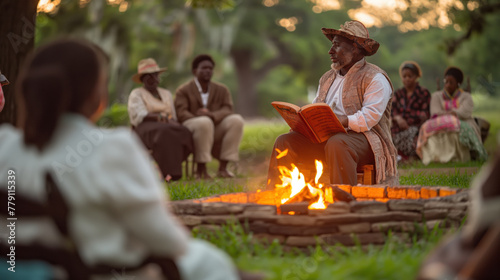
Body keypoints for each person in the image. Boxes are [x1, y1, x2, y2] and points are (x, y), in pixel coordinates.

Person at [0, 39, 239, 280]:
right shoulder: (110, 148)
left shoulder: (5, 146)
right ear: (95, 94)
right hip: (102, 272)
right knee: (210, 261)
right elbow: (167, 241)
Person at [267, 20, 398, 187]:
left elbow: (369, 118)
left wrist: (339, 121)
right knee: (284, 141)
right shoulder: (327, 77)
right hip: (327, 140)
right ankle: (274, 194)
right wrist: (302, 121)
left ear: (355, 48)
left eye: (337, 45)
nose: (330, 51)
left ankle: (343, 199)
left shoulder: (375, 78)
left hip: (365, 143)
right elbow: (315, 107)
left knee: (338, 142)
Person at [175, 54, 244, 179]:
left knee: (237, 120)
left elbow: (228, 108)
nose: (208, 71)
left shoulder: (222, 90)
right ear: (195, 71)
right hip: (191, 128)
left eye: (210, 68)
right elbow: (181, 112)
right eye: (204, 68)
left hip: (213, 126)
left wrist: (211, 115)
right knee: (203, 122)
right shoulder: (183, 90)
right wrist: (197, 116)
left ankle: (223, 168)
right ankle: (201, 170)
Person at [128, 58, 193, 181]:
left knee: (184, 132)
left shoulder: (166, 93)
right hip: (145, 127)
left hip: (167, 124)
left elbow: (172, 115)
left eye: (155, 75)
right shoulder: (137, 93)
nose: (153, 79)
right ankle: (168, 174)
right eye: (148, 77)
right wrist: (160, 117)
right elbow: (139, 115)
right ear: (142, 79)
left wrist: (170, 120)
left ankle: (172, 169)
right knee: (164, 133)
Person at [416, 66, 487, 164]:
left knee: (460, 128)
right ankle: (433, 158)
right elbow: (435, 113)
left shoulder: (466, 97)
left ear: (458, 83)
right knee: (426, 127)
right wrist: (451, 114)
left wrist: (447, 114)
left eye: (451, 82)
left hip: (463, 120)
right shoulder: (436, 96)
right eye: (446, 82)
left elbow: (464, 113)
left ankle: (462, 156)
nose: (448, 85)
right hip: (439, 122)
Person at [391, 61, 431, 161]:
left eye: (410, 76)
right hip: (399, 127)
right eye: (405, 76)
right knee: (388, 135)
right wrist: (399, 118)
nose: (407, 79)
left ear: (416, 76)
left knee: (414, 137)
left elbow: (425, 113)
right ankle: (398, 157)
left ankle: (408, 157)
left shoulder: (423, 93)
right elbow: (392, 111)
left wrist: (408, 121)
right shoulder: (398, 93)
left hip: (417, 127)